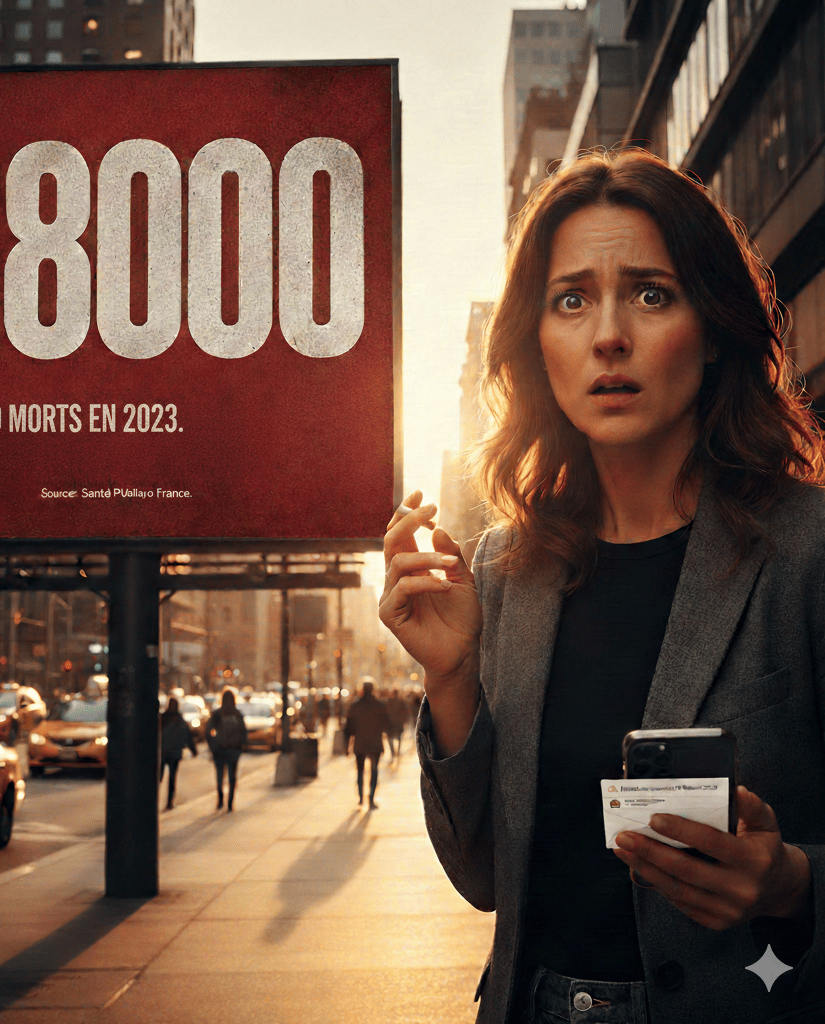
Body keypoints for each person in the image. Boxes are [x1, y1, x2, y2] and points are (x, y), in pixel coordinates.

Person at [380, 149, 825, 1024]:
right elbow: (483, 879)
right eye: (571, 299)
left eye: (652, 294)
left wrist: (792, 881)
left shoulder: (807, 552)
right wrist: (451, 676)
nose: (609, 335)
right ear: (537, 343)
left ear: (713, 329)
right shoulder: (502, 570)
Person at [343, 678, 390, 808]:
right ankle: (371, 799)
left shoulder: (355, 706)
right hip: (375, 743)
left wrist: (346, 745)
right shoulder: (379, 705)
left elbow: (348, 728)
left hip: (360, 743)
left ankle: (360, 797)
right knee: (374, 771)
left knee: (360, 771)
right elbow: (386, 724)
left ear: (362, 690)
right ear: (373, 690)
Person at [205, 687, 247, 811]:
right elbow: (243, 731)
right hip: (233, 749)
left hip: (220, 749)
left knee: (220, 777)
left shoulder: (218, 714)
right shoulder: (237, 714)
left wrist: (213, 744)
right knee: (232, 777)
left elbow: (208, 730)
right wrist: (241, 745)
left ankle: (220, 798)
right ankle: (230, 803)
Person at [160, 697, 197, 810]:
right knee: (170, 777)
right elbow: (187, 735)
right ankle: (169, 801)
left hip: (165, 752)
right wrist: (193, 749)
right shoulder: (177, 719)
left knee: (161, 776)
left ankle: (161, 800)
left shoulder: (163, 718)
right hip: (173, 752)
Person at [385, 687, 408, 757]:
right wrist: (404, 720)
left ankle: (393, 752)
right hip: (399, 722)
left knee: (390, 738)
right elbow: (405, 712)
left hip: (390, 722)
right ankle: (398, 750)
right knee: (399, 737)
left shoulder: (389, 701)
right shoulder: (401, 701)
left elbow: (386, 712)